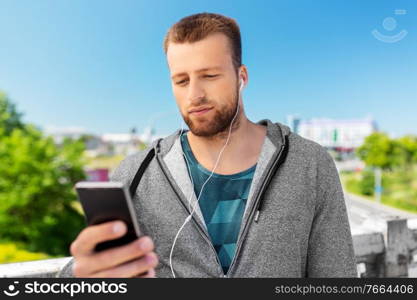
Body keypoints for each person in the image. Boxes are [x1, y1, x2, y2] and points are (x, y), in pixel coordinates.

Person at [59, 12, 357, 278]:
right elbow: (89, 273)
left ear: (242, 77)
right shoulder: (135, 174)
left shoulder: (309, 163)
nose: (194, 95)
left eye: (209, 76)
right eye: (181, 81)